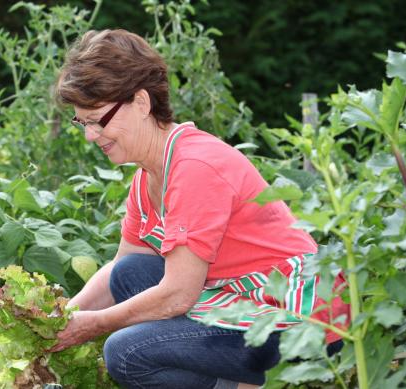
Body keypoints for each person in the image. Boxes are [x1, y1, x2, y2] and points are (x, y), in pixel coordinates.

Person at [50, 29, 349, 389]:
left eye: (97, 119)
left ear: (141, 103)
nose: (89, 135)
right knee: (128, 273)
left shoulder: (195, 167)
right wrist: (62, 319)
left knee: (125, 352)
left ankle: (242, 384)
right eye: (82, 121)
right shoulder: (148, 178)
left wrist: (94, 325)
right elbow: (121, 265)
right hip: (241, 301)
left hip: (300, 322)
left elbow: (178, 293)